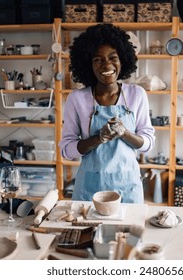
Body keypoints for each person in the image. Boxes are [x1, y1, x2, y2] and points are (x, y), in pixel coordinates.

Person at [60, 23, 155, 204]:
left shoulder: (136, 95)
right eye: (98, 60)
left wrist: (125, 133)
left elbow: (148, 144)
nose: (107, 65)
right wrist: (99, 138)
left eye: (113, 58)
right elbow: (67, 150)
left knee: (127, 233)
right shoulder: (77, 99)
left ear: (123, 60)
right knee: (88, 232)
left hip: (128, 186)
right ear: (88, 64)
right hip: (89, 188)